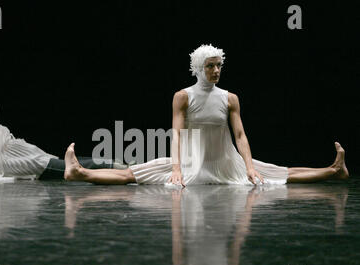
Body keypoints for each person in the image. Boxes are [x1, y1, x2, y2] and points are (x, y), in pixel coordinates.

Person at [63, 44, 349, 186]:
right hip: (189, 163)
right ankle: (80, 171)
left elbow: (240, 135)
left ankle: (334, 169)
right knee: (131, 174)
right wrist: (176, 168)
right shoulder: (183, 96)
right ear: (199, 68)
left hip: (225, 162)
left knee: (279, 173)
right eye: (211, 66)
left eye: (219, 65)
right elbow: (175, 133)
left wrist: (248, 166)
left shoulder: (230, 98)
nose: (216, 70)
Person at [0, 50, 123, 182]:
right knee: (55, 165)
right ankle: (111, 165)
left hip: (2, 155)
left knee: (52, 167)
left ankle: (114, 166)